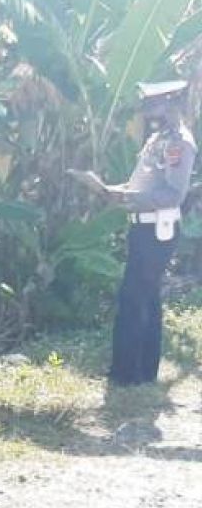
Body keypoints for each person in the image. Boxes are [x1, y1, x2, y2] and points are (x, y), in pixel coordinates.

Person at [71, 80, 197, 386]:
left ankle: (127, 375)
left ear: (171, 105)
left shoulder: (179, 143)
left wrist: (125, 198)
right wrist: (108, 190)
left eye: (154, 105)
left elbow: (172, 195)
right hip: (143, 226)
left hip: (159, 229)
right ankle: (142, 372)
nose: (149, 111)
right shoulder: (157, 139)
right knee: (146, 299)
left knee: (134, 298)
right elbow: (140, 185)